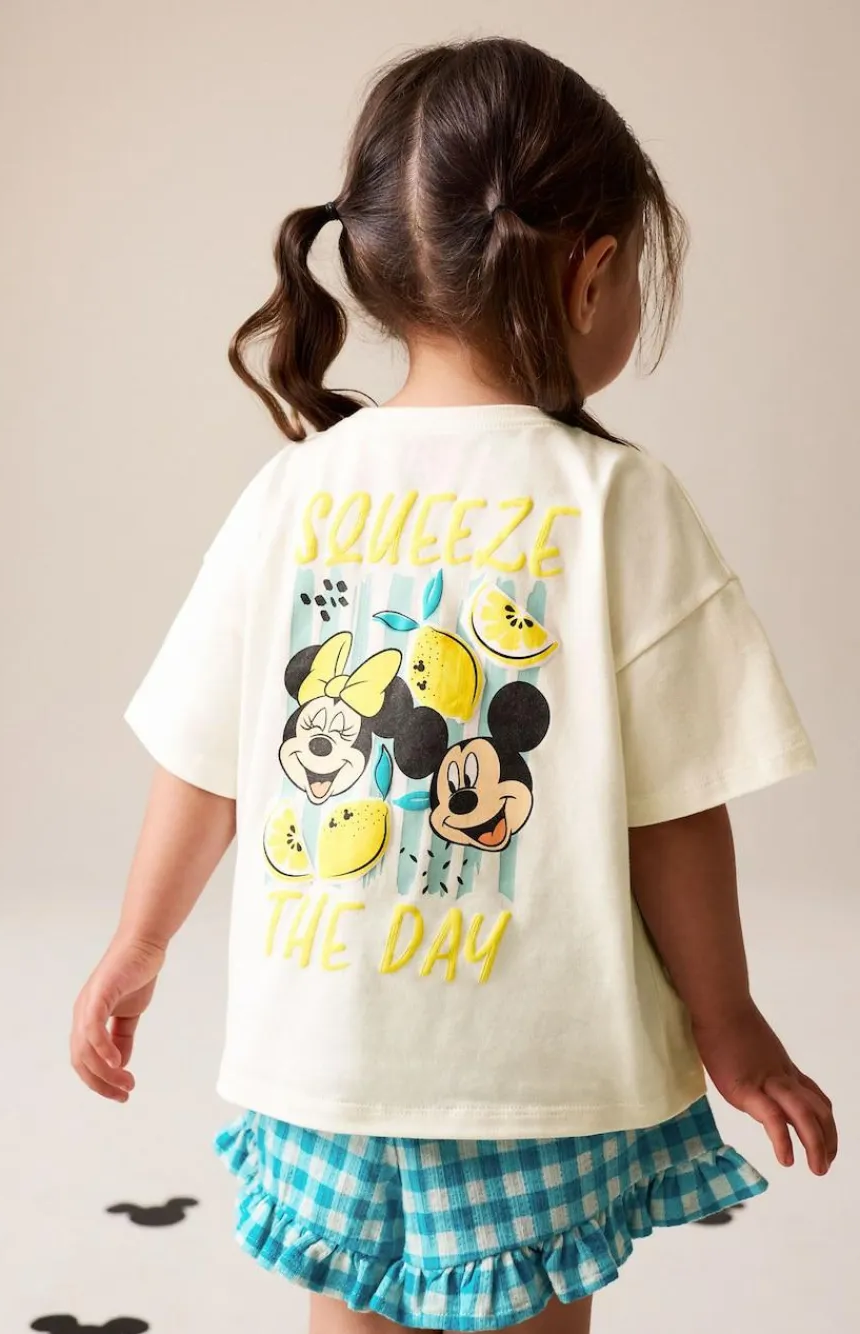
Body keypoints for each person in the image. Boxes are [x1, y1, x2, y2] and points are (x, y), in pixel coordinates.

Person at [70, 36, 837, 1334]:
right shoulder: (616, 502)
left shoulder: (295, 490)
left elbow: (205, 757)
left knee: (348, 1311)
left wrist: (137, 944)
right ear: (590, 273)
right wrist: (730, 1021)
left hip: (328, 1055)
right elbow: (674, 810)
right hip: (542, 1069)